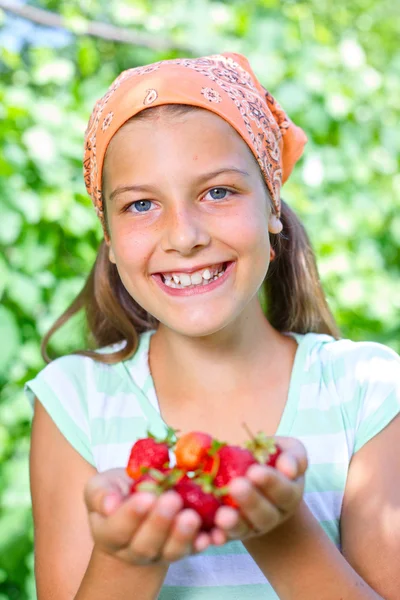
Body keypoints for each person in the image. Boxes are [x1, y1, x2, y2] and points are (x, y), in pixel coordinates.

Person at [25, 52, 400, 600]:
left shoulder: (368, 391)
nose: (184, 236)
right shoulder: (74, 402)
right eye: (141, 204)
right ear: (108, 235)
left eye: (218, 192)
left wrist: (282, 533)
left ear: (272, 204)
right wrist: (128, 556)